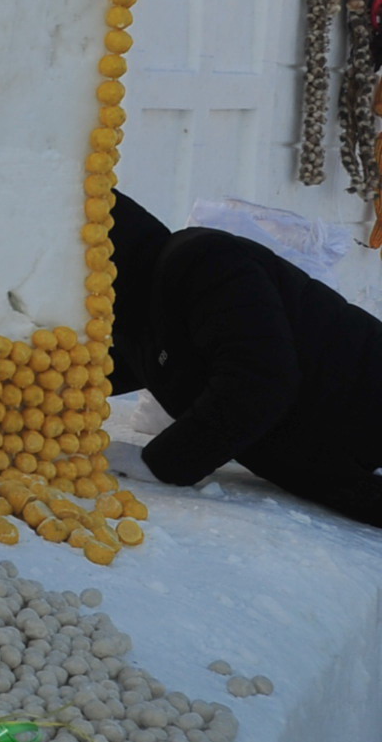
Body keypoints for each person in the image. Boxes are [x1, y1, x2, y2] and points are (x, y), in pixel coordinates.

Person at [109, 192, 382, 524]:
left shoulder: (203, 261)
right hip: (341, 452)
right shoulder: (138, 313)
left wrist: (162, 463)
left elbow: (260, 383)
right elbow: (101, 372)